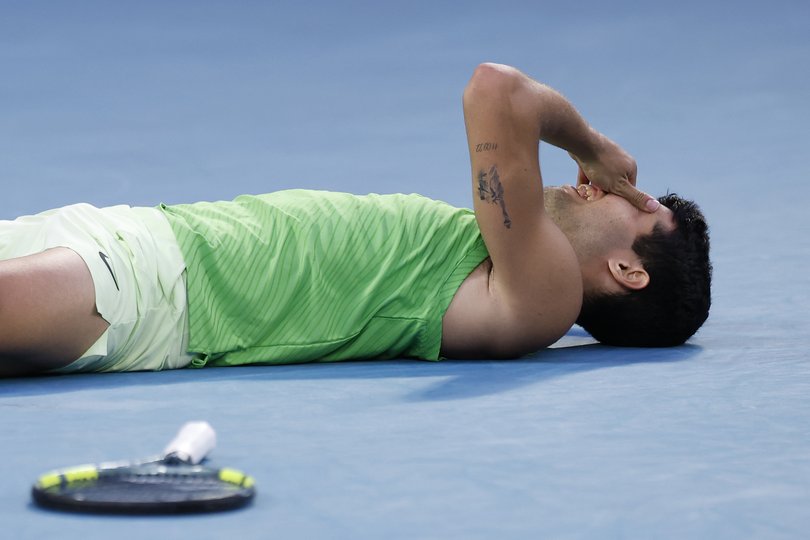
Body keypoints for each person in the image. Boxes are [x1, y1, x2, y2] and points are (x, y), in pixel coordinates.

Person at [0, 63, 711, 378]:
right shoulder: (510, 265)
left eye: (636, 205)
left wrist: (592, 145)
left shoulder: (546, 296)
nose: (606, 187)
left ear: (628, 269)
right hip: (135, 237)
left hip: (158, 293)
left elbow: (497, 91)